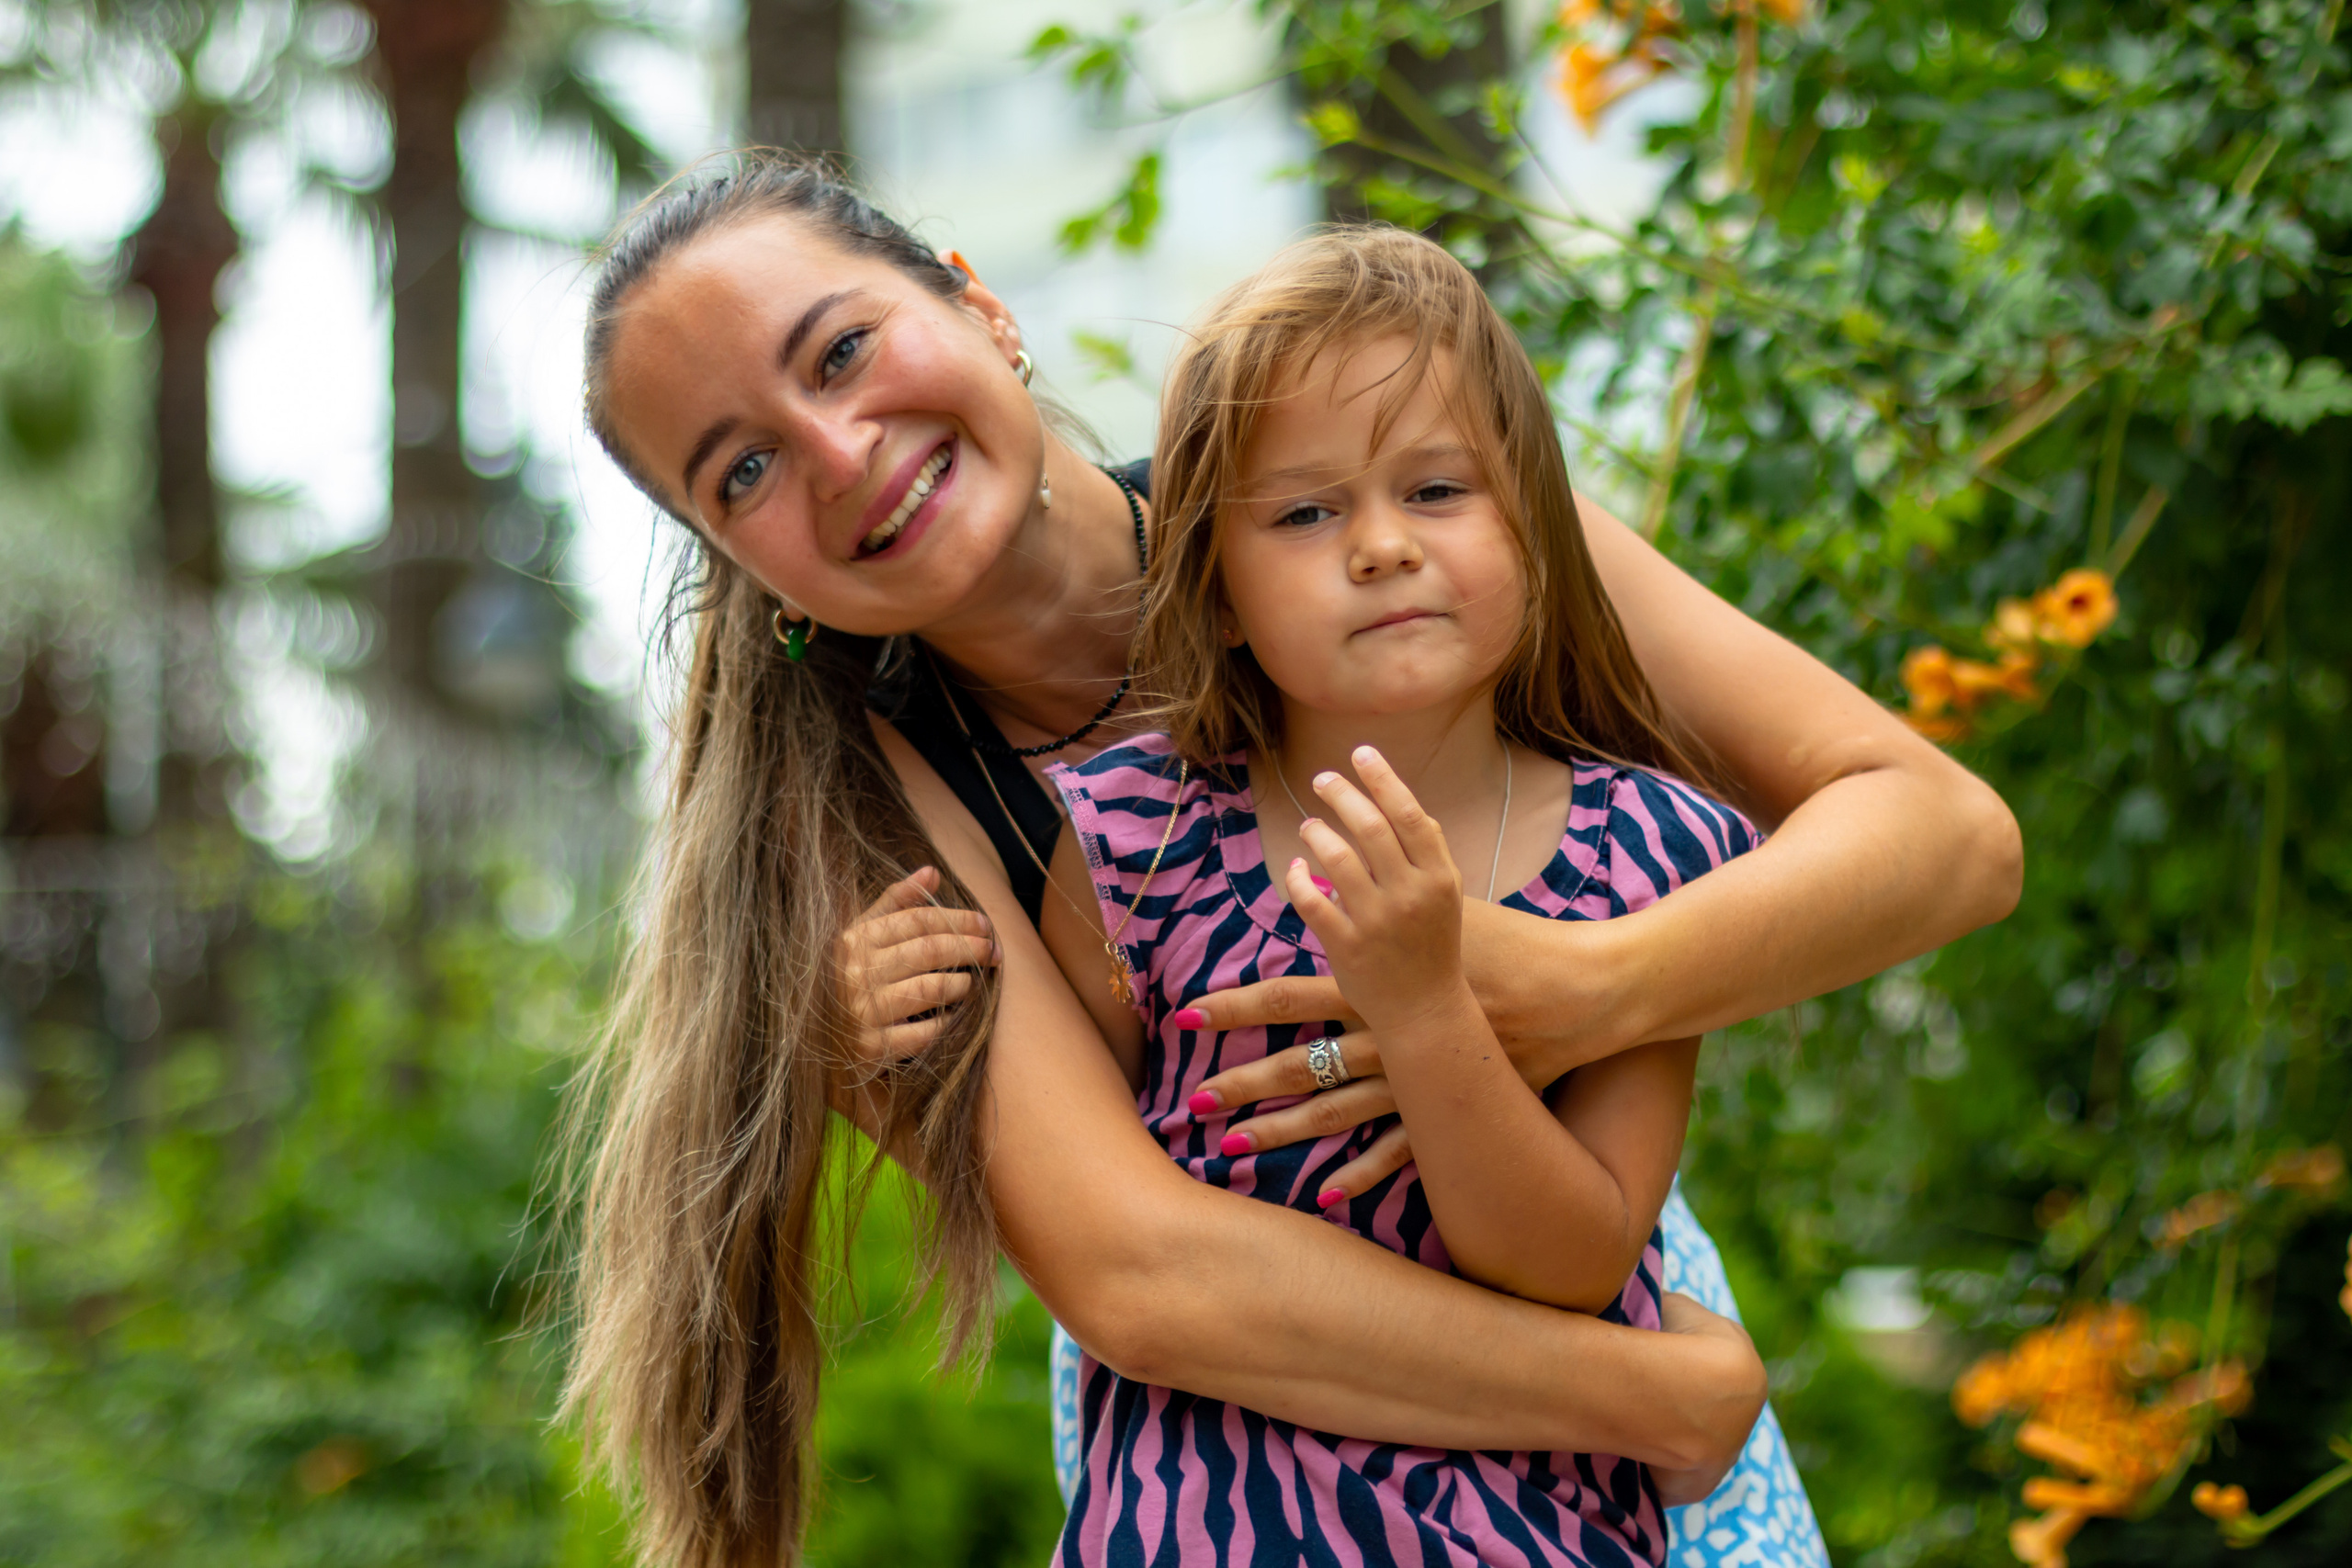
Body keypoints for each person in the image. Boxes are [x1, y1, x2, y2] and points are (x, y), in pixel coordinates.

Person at [563, 152, 2020, 1568]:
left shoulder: (1397, 514)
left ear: (975, 302)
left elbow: (1943, 839)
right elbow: (1146, 1276)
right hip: (1268, 1469)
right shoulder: (864, 802)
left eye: (841, 352)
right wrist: (1655, 1396)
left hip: (1582, 1406)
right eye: (742, 468)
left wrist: (1572, 985)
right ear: (729, 553)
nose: (836, 453)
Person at [1037, 224, 1764, 1565]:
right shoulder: (1130, 840)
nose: (1379, 546)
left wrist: (1428, 1009)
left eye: (1436, 491)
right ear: (1222, 589)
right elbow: (1069, 1181)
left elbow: (1578, 1261)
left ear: (1534, 528)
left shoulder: (1650, 851)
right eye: (1305, 513)